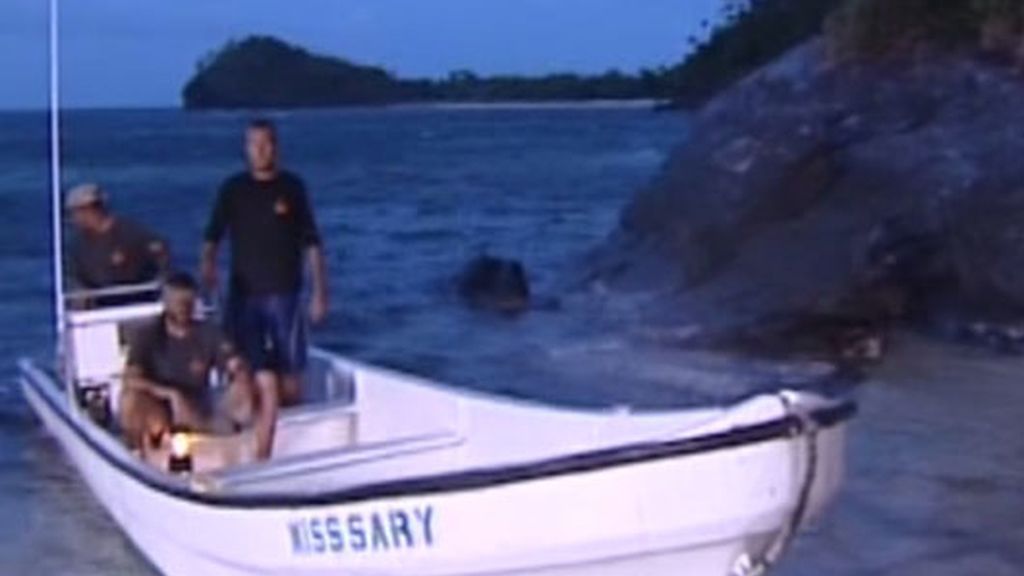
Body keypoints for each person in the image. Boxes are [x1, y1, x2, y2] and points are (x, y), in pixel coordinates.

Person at [200, 119, 328, 406]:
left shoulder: (293, 187)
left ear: (276, 147)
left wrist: (320, 293)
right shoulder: (233, 189)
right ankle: (252, 421)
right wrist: (207, 269)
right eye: (254, 144)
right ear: (246, 149)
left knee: (291, 372)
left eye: (266, 143)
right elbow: (212, 236)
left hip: (285, 294)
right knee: (243, 368)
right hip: (244, 296)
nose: (261, 151)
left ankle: (292, 423)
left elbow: (312, 243)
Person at [120, 273, 279, 460]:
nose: (183, 307)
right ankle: (139, 456)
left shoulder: (208, 332)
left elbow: (233, 363)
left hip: (197, 406)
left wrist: (239, 374)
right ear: (166, 302)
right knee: (130, 400)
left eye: (189, 301)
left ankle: (249, 448)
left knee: (254, 384)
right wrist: (171, 394)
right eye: (177, 301)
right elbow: (131, 378)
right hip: (160, 407)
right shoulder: (148, 334)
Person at [66, 183, 169, 307]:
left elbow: (160, 251)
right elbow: (77, 277)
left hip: (138, 301)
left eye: (76, 212)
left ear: (91, 210)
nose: (74, 218)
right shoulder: (79, 245)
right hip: (101, 305)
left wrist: (161, 281)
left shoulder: (130, 232)